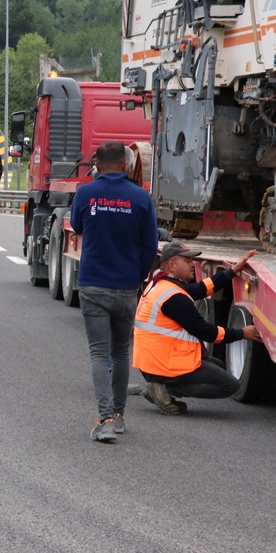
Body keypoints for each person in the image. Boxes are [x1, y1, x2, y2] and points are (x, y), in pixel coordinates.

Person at [70, 141, 159, 442]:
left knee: (99, 351)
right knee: (121, 351)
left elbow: (76, 225)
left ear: (96, 163)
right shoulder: (141, 197)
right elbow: (150, 245)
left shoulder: (85, 193)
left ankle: (105, 417)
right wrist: (140, 276)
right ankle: (119, 416)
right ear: (125, 165)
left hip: (93, 282)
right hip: (126, 285)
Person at [135, 241, 261, 413]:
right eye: (187, 261)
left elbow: (201, 289)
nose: (192, 265)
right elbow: (207, 332)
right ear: (172, 265)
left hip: (155, 359)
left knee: (217, 364)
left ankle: (163, 386)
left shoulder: (160, 284)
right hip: (163, 363)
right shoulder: (174, 298)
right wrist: (243, 333)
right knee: (230, 385)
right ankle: (164, 389)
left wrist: (233, 271)